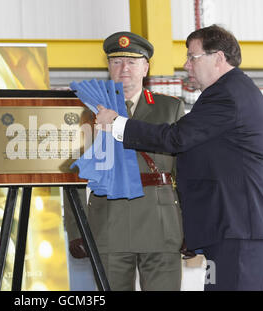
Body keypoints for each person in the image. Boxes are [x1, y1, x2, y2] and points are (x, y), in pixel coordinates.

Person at [96, 25, 263, 291]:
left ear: (218, 58)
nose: (186, 65)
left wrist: (117, 124)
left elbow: (176, 138)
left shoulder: (226, 95)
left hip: (235, 227)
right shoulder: (233, 91)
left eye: (192, 57)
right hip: (233, 228)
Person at [64, 31, 185, 291]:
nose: (124, 68)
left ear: (146, 66)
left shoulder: (169, 108)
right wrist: (76, 230)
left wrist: (192, 225)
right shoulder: (87, 110)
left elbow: (185, 172)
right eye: (117, 61)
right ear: (108, 66)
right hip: (109, 225)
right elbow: (73, 175)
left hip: (161, 224)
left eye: (132, 61)